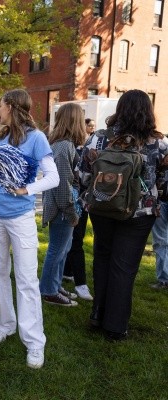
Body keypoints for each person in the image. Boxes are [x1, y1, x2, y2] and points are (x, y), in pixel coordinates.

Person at [0, 89, 59, 369]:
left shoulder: (37, 139)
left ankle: (34, 341)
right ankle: (5, 324)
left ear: (11, 107)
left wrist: (25, 189)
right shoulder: (1, 138)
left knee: (27, 279)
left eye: (0, 106)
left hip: (20, 218)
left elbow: (52, 177)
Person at [79, 89, 168, 340]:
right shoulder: (159, 143)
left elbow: (83, 173)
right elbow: (163, 181)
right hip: (140, 213)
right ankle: (115, 326)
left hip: (102, 207)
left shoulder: (99, 138)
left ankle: (98, 314)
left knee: (103, 258)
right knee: (124, 267)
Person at [39, 103, 87, 307]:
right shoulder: (63, 146)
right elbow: (62, 185)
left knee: (63, 249)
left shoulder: (63, 144)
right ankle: (48, 291)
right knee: (57, 250)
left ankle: (55, 285)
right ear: (74, 121)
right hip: (62, 209)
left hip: (64, 207)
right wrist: (71, 212)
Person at [62, 118, 96, 300]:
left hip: (83, 200)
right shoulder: (66, 148)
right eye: (87, 126)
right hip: (73, 201)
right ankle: (81, 283)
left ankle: (67, 272)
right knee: (74, 242)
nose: (89, 130)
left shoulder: (84, 148)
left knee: (75, 240)